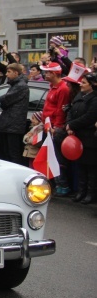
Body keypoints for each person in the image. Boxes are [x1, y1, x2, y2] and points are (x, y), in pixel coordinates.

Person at [64, 72, 97, 204]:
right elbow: (71, 111)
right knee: (81, 166)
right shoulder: (79, 95)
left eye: (84, 83)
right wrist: (69, 125)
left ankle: (90, 194)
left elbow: (89, 117)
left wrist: (72, 124)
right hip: (76, 136)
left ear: (92, 85)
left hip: (89, 138)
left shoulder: (95, 99)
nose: (81, 85)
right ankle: (81, 191)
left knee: (91, 168)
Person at [40, 61, 72, 196]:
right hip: (47, 126)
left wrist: (57, 127)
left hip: (54, 128)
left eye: (47, 72)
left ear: (54, 74)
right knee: (50, 157)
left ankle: (63, 185)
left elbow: (60, 110)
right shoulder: (52, 87)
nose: (45, 74)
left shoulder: (63, 89)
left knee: (57, 158)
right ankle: (55, 183)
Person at [0, 63, 30, 166]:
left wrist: (2, 98)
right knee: (7, 152)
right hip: (10, 123)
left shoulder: (21, 86)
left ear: (16, 73)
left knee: (13, 153)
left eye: (9, 72)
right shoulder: (15, 84)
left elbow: (5, 99)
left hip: (13, 124)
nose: (6, 74)